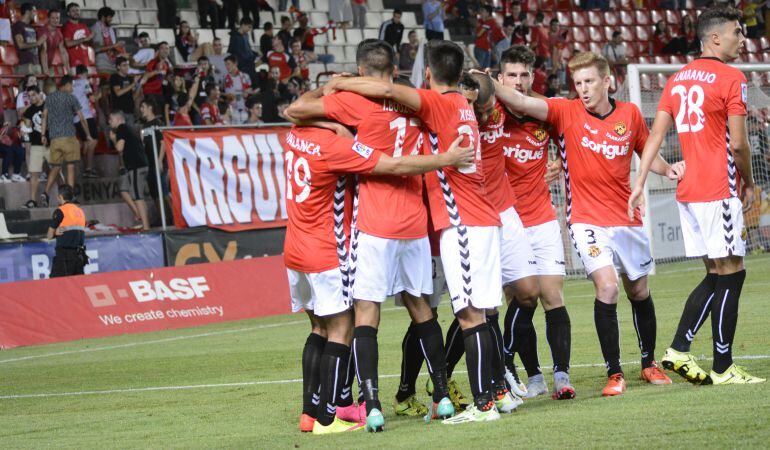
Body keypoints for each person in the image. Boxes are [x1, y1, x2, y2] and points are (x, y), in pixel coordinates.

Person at [325, 40, 505, 424]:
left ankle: (477, 404)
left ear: (427, 73)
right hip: (433, 223)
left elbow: (384, 93)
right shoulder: (461, 105)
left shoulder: (434, 103)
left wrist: (339, 83)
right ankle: (461, 395)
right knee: (451, 311)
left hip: (444, 222)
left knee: (464, 314)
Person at [287, 39, 462, 430]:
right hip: (414, 221)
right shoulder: (417, 100)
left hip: (374, 223)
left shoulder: (356, 102)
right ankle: (441, 397)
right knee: (422, 309)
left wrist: (333, 98)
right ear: (395, 69)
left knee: (366, 313)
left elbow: (295, 110)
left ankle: (373, 405)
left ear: (361, 72)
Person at [493, 51, 677, 396]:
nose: (584, 89)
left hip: (626, 217)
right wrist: (487, 82)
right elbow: (520, 101)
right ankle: (614, 372)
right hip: (585, 219)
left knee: (639, 290)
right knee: (607, 287)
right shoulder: (565, 111)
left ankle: (648, 363)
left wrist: (669, 170)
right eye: (578, 83)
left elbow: (646, 151)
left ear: (607, 82)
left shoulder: (630, 114)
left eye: (589, 81)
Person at [629, 5, 766, 385]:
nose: (743, 39)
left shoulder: (677, 79)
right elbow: (739, 144)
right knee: (733, 272)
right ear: (715, 38)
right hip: (718, 188)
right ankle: (723, 367)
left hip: (688, 191)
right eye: (738, 32)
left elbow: (655, 135)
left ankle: (678, 349)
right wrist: (749, 182)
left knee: (716, 273)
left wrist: (640, 181)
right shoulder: (731, 77)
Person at [493, 46, 574, 399]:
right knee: (519, 299)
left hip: (541, 216)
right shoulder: (490, 113)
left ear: (532, 78)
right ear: (500, 78)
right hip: (504, 221)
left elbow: (573, 143)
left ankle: (562, 376)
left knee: (552, 294)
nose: (518, 81)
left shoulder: (544, 113)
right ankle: (533, 375)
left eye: (524, 75)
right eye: (511, 75)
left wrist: (560, 164)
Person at [41, 75, 93, 193]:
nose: (72, 89)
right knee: (70, 167)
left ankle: (46, 193)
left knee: (55, 167)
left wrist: (43, 135)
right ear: (67, 85)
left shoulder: (49, 98)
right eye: (71, 86)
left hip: (54, 139)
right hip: (69, 138)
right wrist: (88, 135)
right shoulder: (71, 98)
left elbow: (44, 117)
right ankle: (70, 196)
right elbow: (82, 119)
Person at [109, 111, 150, 231]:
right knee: (124, 190)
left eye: (111, 119)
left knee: (138, 196)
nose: (109, 122)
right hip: (137, 165)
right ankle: (139, 216)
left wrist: (113, 139)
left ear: (119, 119)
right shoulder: (128, 129)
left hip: (137, 165)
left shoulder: (121, 128)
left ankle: (146, 227)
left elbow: (119, 148)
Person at [47, 185, 87, 278]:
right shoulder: (80, 211)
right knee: (78, 284)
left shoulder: (61, 211)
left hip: (64, 257)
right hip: (79, 256)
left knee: (56, 283)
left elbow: (49, 235)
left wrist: (55, 233)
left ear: (60, 197)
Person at [22, 86, 49, 207]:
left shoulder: (49, 106)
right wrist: (24, 131)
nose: (31, 98)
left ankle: (66, 198)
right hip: (36, 144)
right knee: (34, 173)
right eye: (29, 96)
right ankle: (32, 200)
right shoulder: (29, 111)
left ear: (40, 94)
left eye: (34, 95)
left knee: (57, 171)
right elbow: (27, 128)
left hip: (50, 143)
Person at [72, 65, 98, 178]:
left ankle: (86, 168)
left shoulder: (72, 83)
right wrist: (99, 94)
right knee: (93, 140)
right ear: (84, 73)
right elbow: (92, 99)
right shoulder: (85, 82)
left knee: (86, 143)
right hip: (86, 116)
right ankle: (89, 168)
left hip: (75, 118)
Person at [13, 3, 46, 76]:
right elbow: (21, 45)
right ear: (28, 12)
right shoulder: (18, 25)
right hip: (25, 64)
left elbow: (36, 46)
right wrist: (37, 43)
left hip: (36, 63)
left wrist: (42, 44)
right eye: (34, 11)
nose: (36, 13)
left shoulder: (32, 27)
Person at [223, 55, 255, 124]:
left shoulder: (245, 76)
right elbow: (227, 95)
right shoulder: (225, 78)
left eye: (228, 64)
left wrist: (243, 94)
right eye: (225, 65)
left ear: (235, 63)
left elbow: (250, 91)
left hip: (244, 109)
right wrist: (241, 94)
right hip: (231, 110)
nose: (227, 66)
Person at [91, 7, 122, 74]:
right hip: (102, 64)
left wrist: (119, 50)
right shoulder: (95, 28)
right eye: (109, 17)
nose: (111, 19)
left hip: (113, 63)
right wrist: (114, 45)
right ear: (103, 17)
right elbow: (97, 48)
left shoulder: (110, 29)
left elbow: (112, 46)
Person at [38, 9, 69, 76]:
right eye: (53, 18)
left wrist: (68, 70)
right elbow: (43, 50)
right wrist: (46, 71)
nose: (55, 20)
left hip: (49, 65)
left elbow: (63, 52)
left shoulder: (59, 33)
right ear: (48, 18)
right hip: (39, 65)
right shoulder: (43, 31)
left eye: (57, 18)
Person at [110, 57, 140, 125]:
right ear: (118, 67)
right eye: (124, 65)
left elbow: (134, 96)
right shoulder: (114, 77)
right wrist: (133, 84)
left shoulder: (130, 78)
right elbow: (118, 93)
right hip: (119, 111)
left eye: (127, 65)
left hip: (130, 111)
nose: (127, 67)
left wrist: (139, 85)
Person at [63, 3, 93, 69]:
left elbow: (89, 41)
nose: (76, 12)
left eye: (77, 10)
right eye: (73, 11)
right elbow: (68, 43)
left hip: (86, 61)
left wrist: (92, 37)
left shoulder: (84, 26)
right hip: (74, 63)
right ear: (68, 13)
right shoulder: (67, 27)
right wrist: (84, 39)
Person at [228, 18, 257, 82]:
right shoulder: (234, 36)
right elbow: (231, 51)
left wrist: (255, 54)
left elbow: (248, 49)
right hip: (241, 65)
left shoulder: (246, 35)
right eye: (249, 27)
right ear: (243, 25)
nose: (249, 29)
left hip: (249, 63)